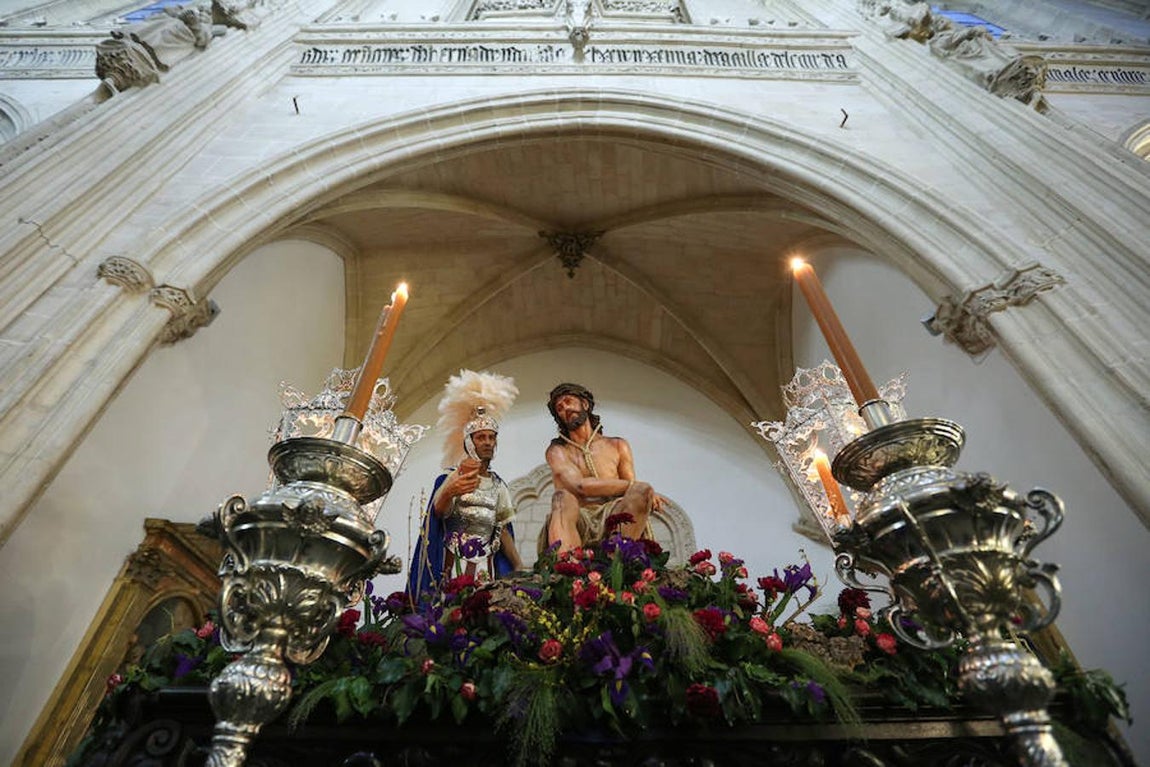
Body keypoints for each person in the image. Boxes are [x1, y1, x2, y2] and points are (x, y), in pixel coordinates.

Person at [407, 370, 523, 598]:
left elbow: (502, 529)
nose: (487, 442)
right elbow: (437, 513)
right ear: (469, 442)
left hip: (486, 565)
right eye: (481, 437)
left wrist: (518, 565)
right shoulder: (449, 478)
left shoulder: (499, 485)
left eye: (491, 437)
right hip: (453, 561)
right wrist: (449, 491)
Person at [541, 382, 666, 554]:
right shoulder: (558, 451)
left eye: (568, 401)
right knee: (562, 497)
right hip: (579, 516)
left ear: (585, 404)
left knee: (643, 490)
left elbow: (632, 495)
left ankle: (618, 560)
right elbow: (580, 486)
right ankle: (568, 564)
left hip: (615, 515)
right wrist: (632, 485)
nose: (565, 409)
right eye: (560, 408)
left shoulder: (617, 445)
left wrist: (641, 490)